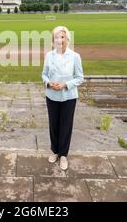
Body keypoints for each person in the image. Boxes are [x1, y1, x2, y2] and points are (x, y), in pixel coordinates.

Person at [42, 26, 84, 170]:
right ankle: (54, 151)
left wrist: (65, 85)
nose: (59, 40)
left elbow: (80, 78)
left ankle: (64, 155)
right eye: (56, 37)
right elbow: (44, 74)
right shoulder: (49, 55)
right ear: (53, 40)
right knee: (53, 125)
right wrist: (48, 83)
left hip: (69, 97)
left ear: (67, 39)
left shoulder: (75, 56)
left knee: (66, 125)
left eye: (62, 37)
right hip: (51, 95)